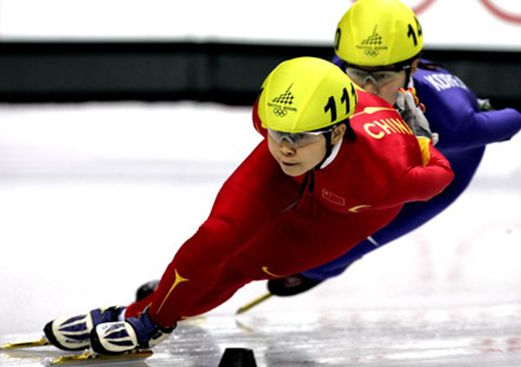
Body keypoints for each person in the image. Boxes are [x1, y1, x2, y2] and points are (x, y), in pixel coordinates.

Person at [43, 56, 453, 355]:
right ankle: (144, 320)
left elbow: (443, 175)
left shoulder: (382, 179)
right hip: (305, 172)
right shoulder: (273, 125)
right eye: (278, 133)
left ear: (336, 132)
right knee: (216, 236)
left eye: (302, 137)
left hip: (340, 212)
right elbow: (286, 139)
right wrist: (287, 139)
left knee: (240, 266)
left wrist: (423, 144)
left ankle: (145, 319)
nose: (287, 148)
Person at [267, 0, 521, 297]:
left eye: (384, 76)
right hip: (378, 145)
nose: (370, 88)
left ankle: (326, 268)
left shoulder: (450, 120)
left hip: (444, 163)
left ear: (412, 67)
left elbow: (513, 119)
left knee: (322, 259)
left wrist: (480, 113)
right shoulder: (335, 73)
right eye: (360, 75)